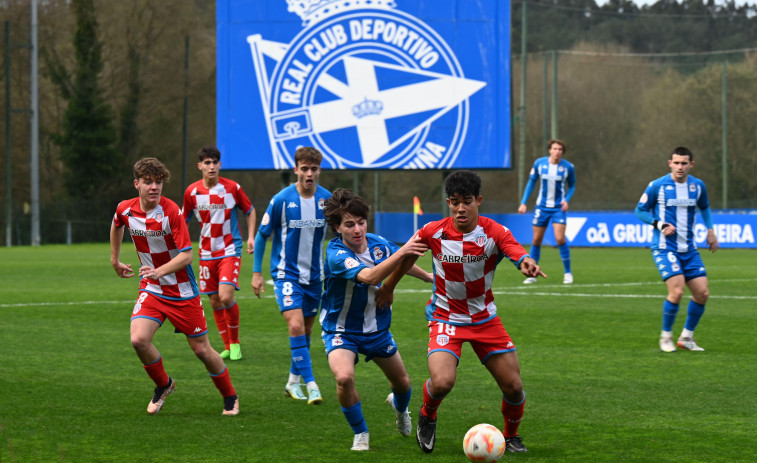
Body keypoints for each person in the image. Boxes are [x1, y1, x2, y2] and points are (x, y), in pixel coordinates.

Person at [402, 170, 546, 454]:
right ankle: (427, 415)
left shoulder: (494, 231)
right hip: (445, 319)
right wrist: (386, 288)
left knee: (514, 387)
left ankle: (511, 436)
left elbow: (514, 249)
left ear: (478, 200)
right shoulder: (432, 231)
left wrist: (525, 261)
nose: (460, 208)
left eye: (467, 201)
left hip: (484, 320)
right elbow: (403, 258)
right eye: (454, 201)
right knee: (442, 382)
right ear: (448, 202)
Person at [110, 157, 239, 416]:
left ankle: (230, 397)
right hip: (152, 290)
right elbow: (116, 225)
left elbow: (186, 255)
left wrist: (159, 271)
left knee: (202, 350)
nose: (154, 187)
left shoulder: (171, 212)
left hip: (183, 293)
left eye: (158, 182)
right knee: (138, 339)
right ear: (137, 184)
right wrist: (114, 259)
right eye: (148, 182)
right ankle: (164, 385)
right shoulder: (126, 209)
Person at [320, 188, 433, 451]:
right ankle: (360, 432)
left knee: (403, 384)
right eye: (349, 224)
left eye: (361, 222)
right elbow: (371, 276)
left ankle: (400, 409)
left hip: (377, 330)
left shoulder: (378, 243)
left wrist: (427, 276)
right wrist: (403, 250)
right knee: (344, 378)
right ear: (337, 228)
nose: (357, 229)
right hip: (341, 330)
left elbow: (400, 260)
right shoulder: (335, 254)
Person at [252, 146, 331, 404]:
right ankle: (312, 385)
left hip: (315, 278)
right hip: (287, 275)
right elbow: (262, 235)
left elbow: (342, 234)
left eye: (314, 169)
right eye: (304, 168)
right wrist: (257, 273)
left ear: (319, 170)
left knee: (305, 332)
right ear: (296, 169)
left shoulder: (327, 201)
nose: (309, 173)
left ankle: (292, 382)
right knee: (295, 325)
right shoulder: (281, 200)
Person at [635, 146, 719, 353]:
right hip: (665, 248)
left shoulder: (698, 186)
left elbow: (705, 207)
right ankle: (665, 337)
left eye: (684, 163)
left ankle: (686, 337)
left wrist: (710, 230)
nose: (680, 167)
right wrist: (659, 225)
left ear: (691, 164)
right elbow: (640, 210)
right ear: (670, 163)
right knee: (677, 290)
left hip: (689, 249)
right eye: (676, 163)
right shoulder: (657, 186)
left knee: (702, 293)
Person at [182, 146, 256, 361]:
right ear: (200, 166)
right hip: (206, 253)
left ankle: (235, 344)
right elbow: (183, 221)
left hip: (230, 250)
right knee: (214, 301)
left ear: (220, 165)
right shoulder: (192, 192)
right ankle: (226, 346)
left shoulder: (232, 188)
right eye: (207, 163)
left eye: (215, 162)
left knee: (225, 296)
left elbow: (249, 211)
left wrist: (251, 236)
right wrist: (180, 246)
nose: (211, 166)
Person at [517, 139, 576, 284]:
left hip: (558, 209)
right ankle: (532, 274)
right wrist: (523, 202)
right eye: (554, 149)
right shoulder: (540, 163)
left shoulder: (568, 167)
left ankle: (568, 273)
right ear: (550, 150)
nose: (557, 152)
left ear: (562, 152)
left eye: (560, 149)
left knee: (560, 238)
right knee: (536, 240)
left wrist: (567, 199)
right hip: (541, 207)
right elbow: (531, 182)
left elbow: (572, 185)